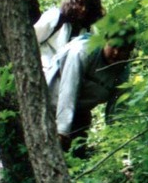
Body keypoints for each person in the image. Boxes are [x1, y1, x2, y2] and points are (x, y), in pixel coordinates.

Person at [52, 23, 135, 151]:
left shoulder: (122, 70)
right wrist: (62, 130)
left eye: (123, 50)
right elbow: (68, 91)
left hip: (81, 110)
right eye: (113, 46)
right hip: (53, 102)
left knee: (77, 152)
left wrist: (116, 140)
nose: (116, 53)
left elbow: (118, 106)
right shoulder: (82, 52)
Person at [34, 0, 104, 86]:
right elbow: (31, 40)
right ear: (73, 1)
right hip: (42, 74)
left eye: (88, 6)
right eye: (81, 4)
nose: (83, 9)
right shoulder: (55, 17)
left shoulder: (89, 30)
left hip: (65, 81)